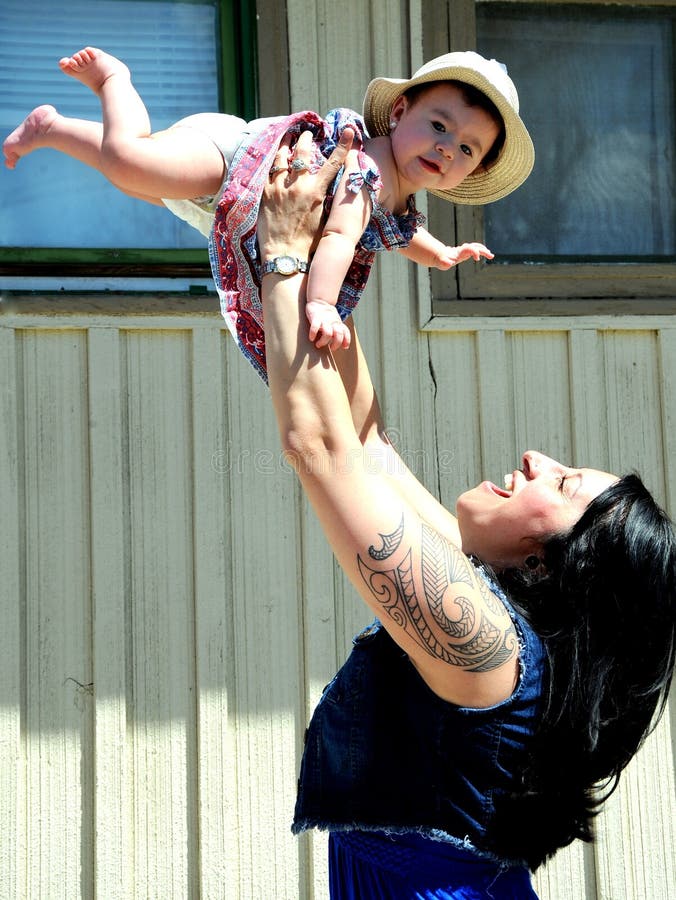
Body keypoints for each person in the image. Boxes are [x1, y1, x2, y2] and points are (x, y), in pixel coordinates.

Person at [255, 129, 676, 897]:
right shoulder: (488, 605)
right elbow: (365, 444)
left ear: (551, 562)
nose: (536, 460)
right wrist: (341, 254)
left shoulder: (482, 643)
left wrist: (281, 255)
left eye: (566, 481)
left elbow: (318, 447)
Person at [3, 47, 534, 380]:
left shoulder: (395, 198)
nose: (447, 148)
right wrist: (322, 304)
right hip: (231, 156)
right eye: (439, 126)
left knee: (142, 182)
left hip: (227, 200)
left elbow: (397, 233)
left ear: (474, 169)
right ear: (398, 113)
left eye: (467, 149)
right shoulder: (368, 168)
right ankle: (113, 81)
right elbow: (341, 237)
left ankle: (50, 128)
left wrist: (440, 252)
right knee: (129, 161)